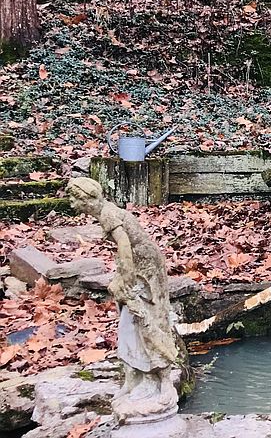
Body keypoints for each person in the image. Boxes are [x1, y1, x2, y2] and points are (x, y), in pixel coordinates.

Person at [66, 177, 183, 424]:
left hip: (147, 271)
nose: (71, 203)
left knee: (152, 320)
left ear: (86, 198)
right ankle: (133, 377)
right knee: (129, 324)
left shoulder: (109, 213)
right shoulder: (105, 212)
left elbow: (125, 247)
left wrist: (125, 281)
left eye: (74, 198)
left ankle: (164, 381)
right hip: (135, 269)